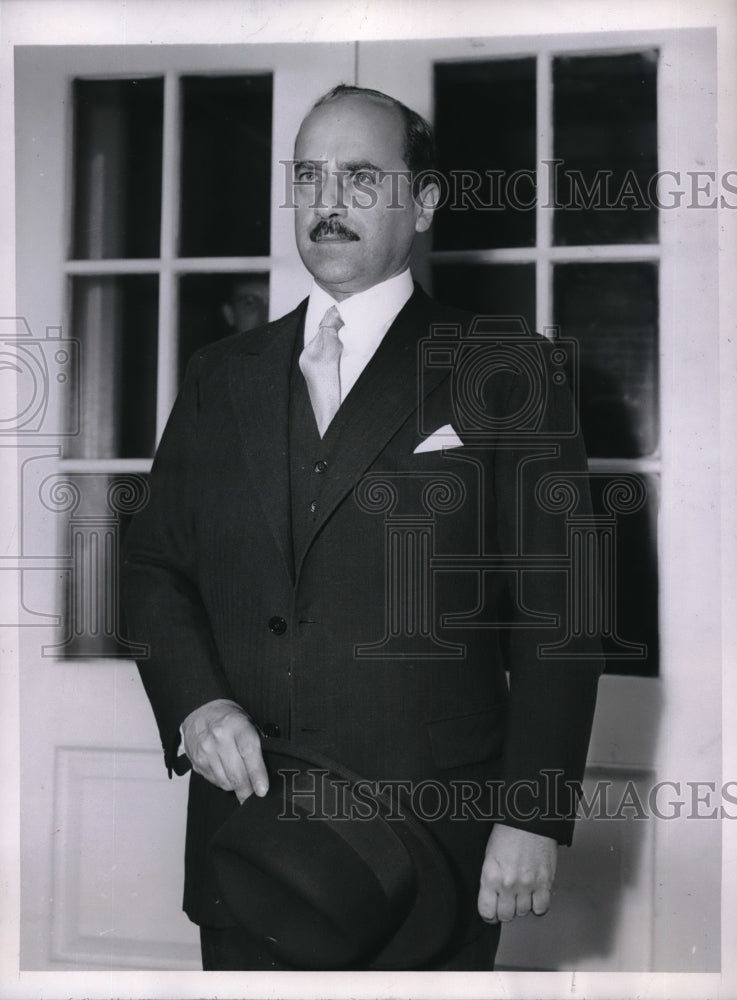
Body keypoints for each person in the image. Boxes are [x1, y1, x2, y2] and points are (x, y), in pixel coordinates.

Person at [122, 84, 602, 971]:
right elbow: (153, 563)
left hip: (430, 856)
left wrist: (531, 813)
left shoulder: (507, 368)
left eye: (359, 177)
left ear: (422, 203)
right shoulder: (221, 374)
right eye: (308, 176)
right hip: (249, 845)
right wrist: (194, 699)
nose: (326, 202)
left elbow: (560, 615)